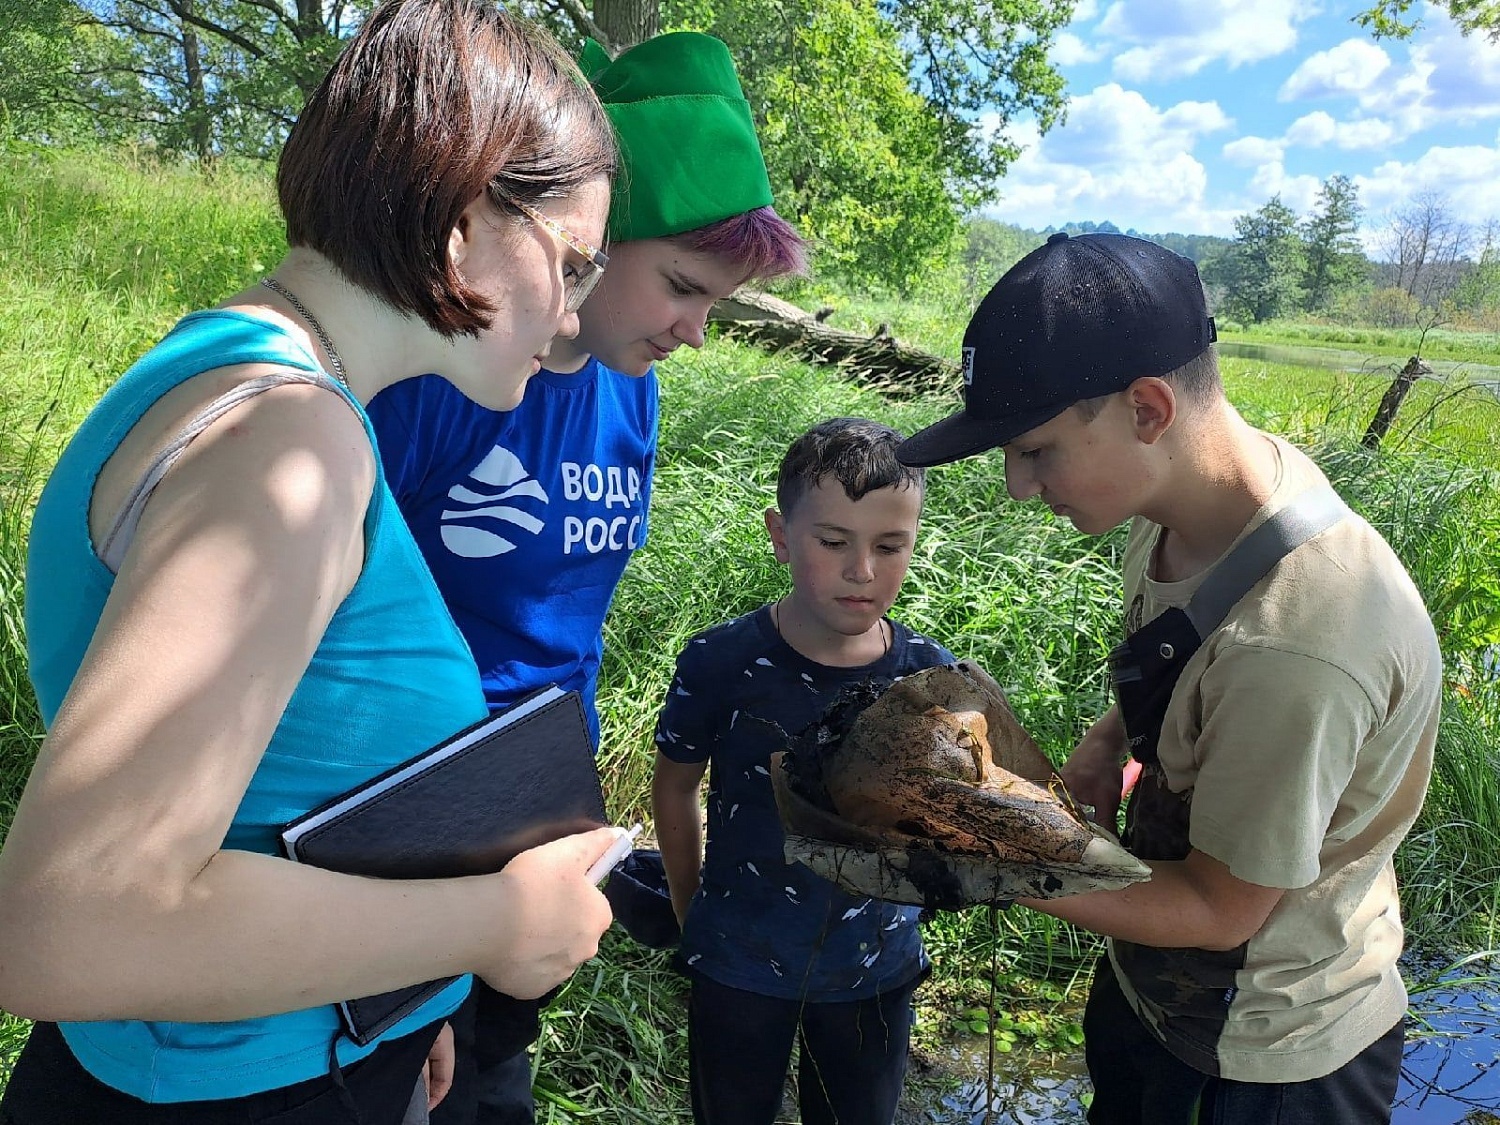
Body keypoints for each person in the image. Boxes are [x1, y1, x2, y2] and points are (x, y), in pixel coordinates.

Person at [0, 1, 626, 1120]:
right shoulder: (289, 445)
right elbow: (72, 924)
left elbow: (268, 781)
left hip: (267, 1055)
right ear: (465, 219)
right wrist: (498, 925)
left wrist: (400, 1002)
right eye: (573, 264)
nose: (576, 320)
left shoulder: (232, 377)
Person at [896, 232, 1441, 1125]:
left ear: (1148, 408)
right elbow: (1181, 656)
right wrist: (1111, 740)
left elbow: (1223, 910)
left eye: (1035, 450)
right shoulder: (1187, 509)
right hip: (1155, 995)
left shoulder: (1298, 640)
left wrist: (1002, 855)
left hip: (1266, 1060)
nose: (1016, 487)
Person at [364, 31, 805, 1125]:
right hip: (397, 823)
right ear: (591, 238)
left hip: (540, 815)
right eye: (685, 289)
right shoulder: (432, 378)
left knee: (496, 1083)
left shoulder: (628, 390)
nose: (697, 333)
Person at [652, 417, 956, 1125]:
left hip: (875, 970)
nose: (863, 570)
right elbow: (675, 785)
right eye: (833, 542)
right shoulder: (719, 662)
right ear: (781, 535)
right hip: (737, 960)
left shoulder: (927, 674)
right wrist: (690, 911)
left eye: (890, 545)